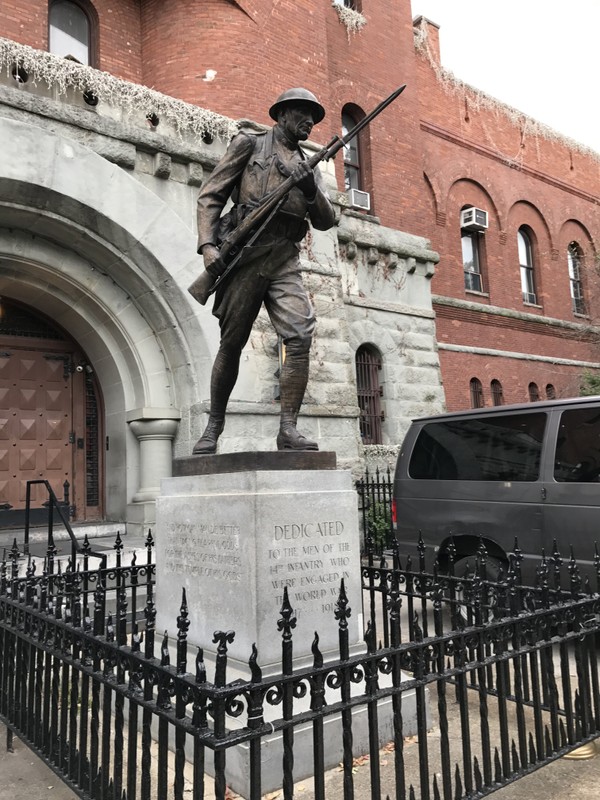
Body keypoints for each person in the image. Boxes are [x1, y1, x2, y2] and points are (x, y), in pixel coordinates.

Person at [189, 88, 335, 455]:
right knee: (232, 343)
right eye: (303, 113)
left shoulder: (308, 165)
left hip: (283, 257)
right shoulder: (249, 145)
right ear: (282, 114)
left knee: (300, 335)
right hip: (246, 253)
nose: (310, 122)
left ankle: (288, 429)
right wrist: (208, 246)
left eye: (314, 117)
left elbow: (326, 221)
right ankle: (213, 427)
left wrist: (309, 189)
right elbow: (211, 194)